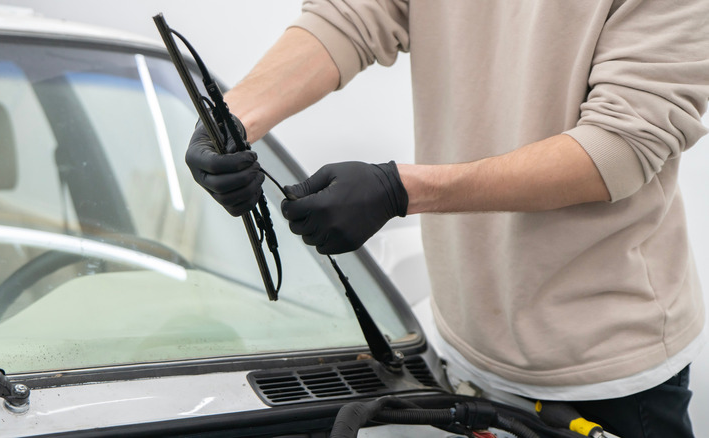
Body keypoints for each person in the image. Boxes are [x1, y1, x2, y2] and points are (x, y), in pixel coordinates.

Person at [186, 1, 709, 436]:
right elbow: (357, 13)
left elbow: (621, 146)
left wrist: (401, 189)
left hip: (603, 373)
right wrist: (231, 119)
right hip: (462, 341)